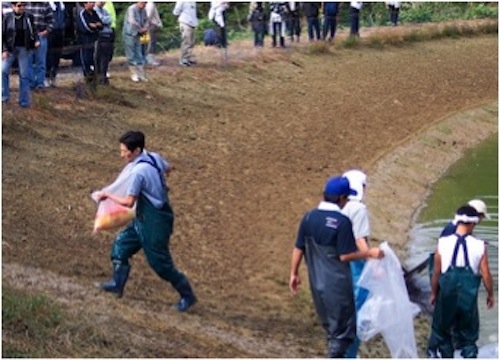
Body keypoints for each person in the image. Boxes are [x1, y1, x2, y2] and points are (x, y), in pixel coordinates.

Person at [96, 131, 198, 312]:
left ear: (136, 150)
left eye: (124, 151)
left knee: (160, 263)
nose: (122, 155)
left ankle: (187, 296)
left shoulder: (138, 172)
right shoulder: (153, 157)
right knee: (121, 246)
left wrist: (107, 195)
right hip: (144, 217)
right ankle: (117, 284)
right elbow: (168, 168)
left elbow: (129, 202)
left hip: (155, 221)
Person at [289, 176, 384, 357]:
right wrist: (369, 253)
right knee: (344, 334)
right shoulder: (342, 222)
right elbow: (345, 256)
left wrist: (293, 274)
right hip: (338, 286)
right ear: (341, 198)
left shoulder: (309, 217)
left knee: (332, 329)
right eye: (346, 198)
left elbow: (298, 247)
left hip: (317, 285)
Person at [427, 205, 494, 358]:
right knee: (469, 339)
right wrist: (490, 294)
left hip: (446, 298)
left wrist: (433, 293)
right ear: (472, 223)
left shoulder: (442, 243)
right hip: (468, 301)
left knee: (443, 335)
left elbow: (436, 273)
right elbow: (486, 275)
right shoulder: (479, 246)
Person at [341, 169, 379, 358]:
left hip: (341, 265)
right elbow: (360, 239)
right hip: (356, 266)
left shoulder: (341, 206)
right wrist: (373, 261)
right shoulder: (358, 209)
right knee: (357, 314)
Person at [2, 1, 39, 108]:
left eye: (24, 5)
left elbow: (34, 31)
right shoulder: (7, 17)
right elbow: (2, 34)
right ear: (13, 6)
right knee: (3, 71)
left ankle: (24, 101)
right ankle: (4, 97)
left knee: (24, 75)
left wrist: (35, 40)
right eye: (19, 6)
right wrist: (3, 50)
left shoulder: (29, 17)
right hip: (10, 48)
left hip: (24, 48)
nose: (22, 7)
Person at [25, 1, 54, 90]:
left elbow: (51, 22)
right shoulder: (25, 4)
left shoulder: (45, 5)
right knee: (28, 62)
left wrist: (46, 32)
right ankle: (30, 83)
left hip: (41, 35)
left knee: (41, 61)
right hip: (28, 37)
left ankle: (40, 84)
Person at [76, 2, 102, 85]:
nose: (93, 4)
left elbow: (101, 25)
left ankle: (95, 78)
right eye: (90, 2)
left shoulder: (94, 13)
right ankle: (88, 79)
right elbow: (85, 28)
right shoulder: (82, 14)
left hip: (95, 41)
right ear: (85, 4)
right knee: (86, 60)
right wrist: (94, 26)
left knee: (94, 60)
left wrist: (95, 26)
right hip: (85, 42)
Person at [123, 2, 149, 82]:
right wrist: (140, 28)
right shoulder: (131, 9)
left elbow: (146, 20)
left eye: (145, 3)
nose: (144, 4)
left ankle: (141, 74)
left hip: (139, 34)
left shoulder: (144, 10)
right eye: (143, 2)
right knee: (131, 54)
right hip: (130, 34)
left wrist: (145, 27)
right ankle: (134, 73)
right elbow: (132, 21)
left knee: (139, 53)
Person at [45, 1, 65, 87]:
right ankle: (46, 77)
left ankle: (53, 77)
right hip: (50, 33)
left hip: (60, 32)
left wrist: (63, 24)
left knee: (57, 55)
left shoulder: (61, 5)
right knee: (48, 56)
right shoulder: (48, 4)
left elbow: (67, 17)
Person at [173, 1, 198, 67]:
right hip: (185, 22)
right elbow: (176, 11)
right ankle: (183, 59)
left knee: (191, 42)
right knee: (186, 41)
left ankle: (188, 58)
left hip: (192, 23)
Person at [95, 2, 113, 85]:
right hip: (100, 37)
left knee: (106, 58)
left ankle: (103, 76)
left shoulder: (105, 10)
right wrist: (104, 21)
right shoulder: (94, 10)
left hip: (108, 36)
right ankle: (100, 78)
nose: (102, 2)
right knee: (99, 58)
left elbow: (110, 19)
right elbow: (101, 19)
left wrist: (103, 21)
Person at [145, 1, 162, 66]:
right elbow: (148, 16)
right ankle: (150, 60)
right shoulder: (150, 4)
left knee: (146, 42)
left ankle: (146, 59)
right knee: (151, 42)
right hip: (151, 25)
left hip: (146, 25)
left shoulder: (147, 4)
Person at [103, 1, 116, 78]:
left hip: (111, 28)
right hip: (104, 31)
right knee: (102, 52)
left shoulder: (110, 3)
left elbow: (111, 17)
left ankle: (106, 69)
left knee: (109, 52)